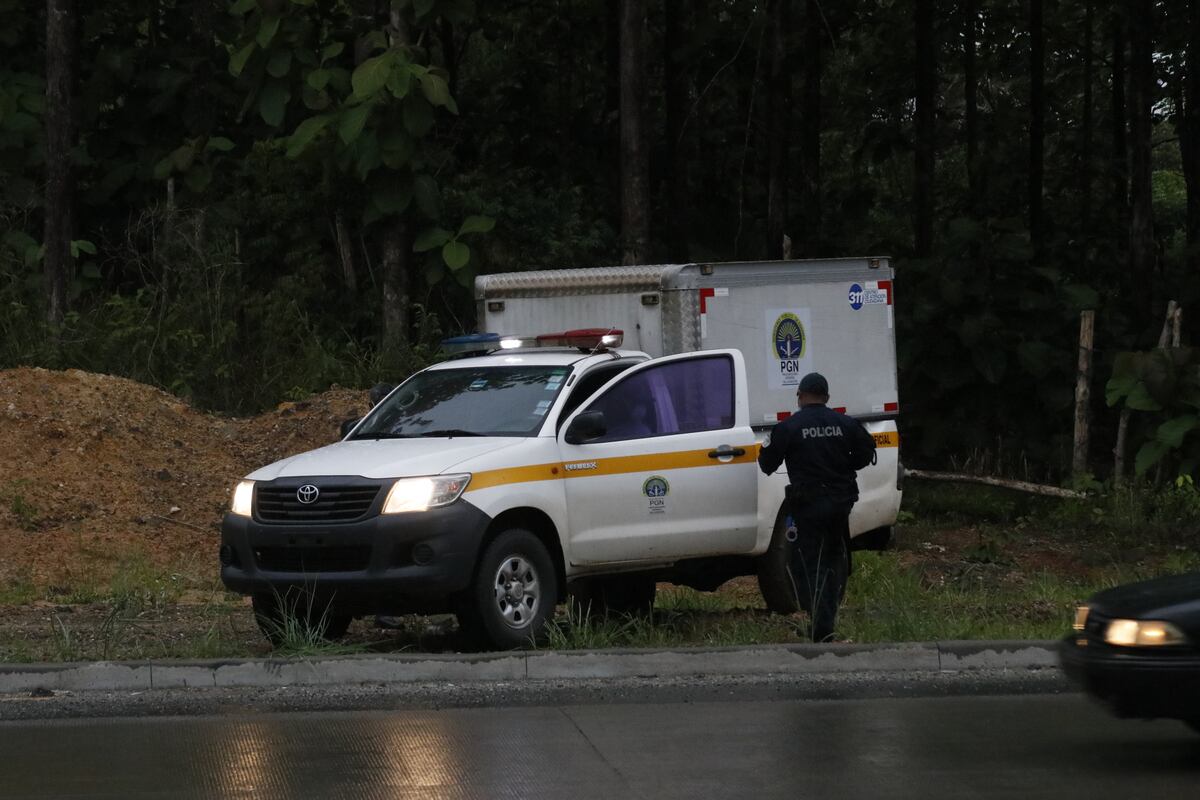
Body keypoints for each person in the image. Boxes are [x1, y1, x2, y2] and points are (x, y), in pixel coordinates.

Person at [757, 372, 876, 642]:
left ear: (799, 396)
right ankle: (824, 625)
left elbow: (766, 464)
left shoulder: (789, 427)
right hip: (838, 505)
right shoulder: (845, 423)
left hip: (807, 507)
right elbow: (866, 453)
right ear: (827, 398)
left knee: (808, 566)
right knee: (833, 564)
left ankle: (821, 630)